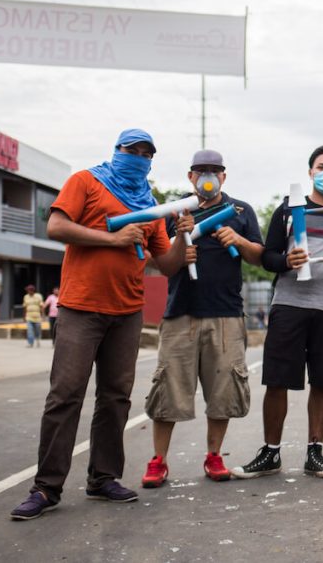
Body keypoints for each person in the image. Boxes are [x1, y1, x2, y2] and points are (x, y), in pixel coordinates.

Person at [10, 128, 195, 521]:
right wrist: (110, 239)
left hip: (127, 312)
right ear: (117, 150)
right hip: (80, 308)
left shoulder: (151, 204)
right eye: (133, 150)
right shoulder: (86, 182)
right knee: (66, 395)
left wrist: (181, 238)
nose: (139, 157)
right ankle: (46, 487)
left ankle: (103, 478)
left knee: (116, 397)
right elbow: (56, 227)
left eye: (147, 153)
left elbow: (167, 265)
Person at [231, 144, 323, 480]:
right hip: (290, 305)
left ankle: (315, 452)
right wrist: (286, 261)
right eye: (321, 166)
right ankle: (271, 452)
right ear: (310, 172)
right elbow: (267, 257)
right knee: (277, 380)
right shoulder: (288, 210)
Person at [141, 149, 265, 487]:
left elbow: (260, 257)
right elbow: (155, 259)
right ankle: (158, 461)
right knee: (168, 389)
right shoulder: (176, 211)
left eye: (214, 171)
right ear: (190, 176)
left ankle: (214, 456)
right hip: (180, 312)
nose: (207, 176)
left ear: (224, 176)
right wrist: (181, 246)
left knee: (223, 391)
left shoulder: (240, 212)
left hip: (226, 314)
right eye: (200, 171)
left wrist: (236, 238)